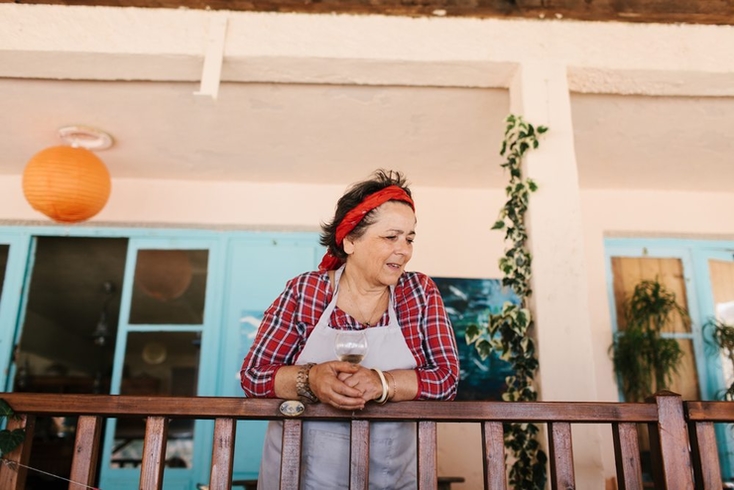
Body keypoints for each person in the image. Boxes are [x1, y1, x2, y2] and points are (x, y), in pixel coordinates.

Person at [240, 169, 459, 490]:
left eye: (409, 238)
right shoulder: (306, 291)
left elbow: (446, 380)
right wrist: (310, 379)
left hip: (393, 476)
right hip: (300, 477)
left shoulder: (419, 292)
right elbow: (254, 376)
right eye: (391, 237)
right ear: (350, 241)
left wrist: (381, 383)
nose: (405, 250)